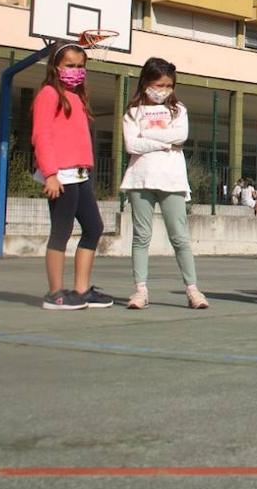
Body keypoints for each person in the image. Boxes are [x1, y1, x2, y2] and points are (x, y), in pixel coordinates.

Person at [119, 57, 208, 311]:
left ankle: (192, 290)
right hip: (140, 178)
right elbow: (131, 145)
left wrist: (147, 135)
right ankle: (140, 290)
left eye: (168, 85)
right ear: (146, 82)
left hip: (172, 180)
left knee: (179, 237)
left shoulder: (178, 110)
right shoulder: (132, 112)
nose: (163, 90)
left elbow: (180, 135)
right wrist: (165, 142)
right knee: (141, 236)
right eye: (158, 84)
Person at [32, 42, 112, 310]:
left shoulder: (77, 97)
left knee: (93, 227)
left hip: (80, 174)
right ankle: (54, 293)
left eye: (80, 67)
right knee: (62, 231)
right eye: (70, 66)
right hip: (61, 174)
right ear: (56, 67)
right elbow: (41, 135)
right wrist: (50, 174)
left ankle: (81, 289)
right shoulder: (48, 94)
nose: (76, 71)